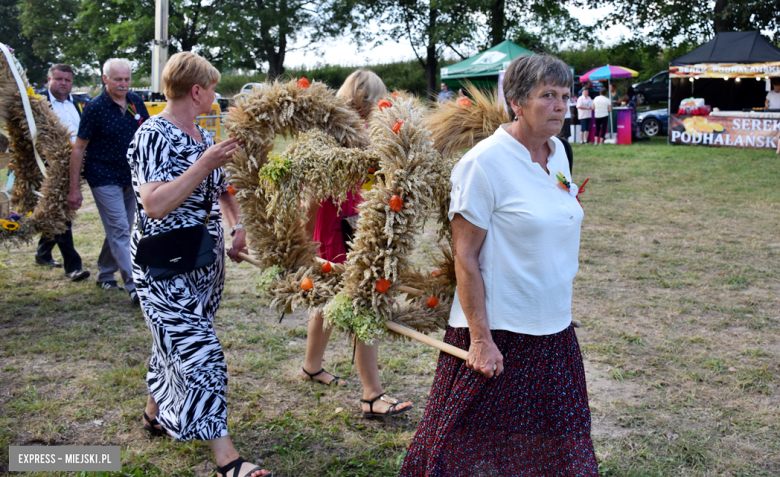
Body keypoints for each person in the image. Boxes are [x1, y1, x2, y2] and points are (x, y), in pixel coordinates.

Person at [400, 54, 597, 476]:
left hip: (553, 331)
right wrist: (480, 339)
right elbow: (465, 256)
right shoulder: (482, 164)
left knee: (552, 449)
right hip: (500, 333)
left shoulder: (559, 152)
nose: (561, 106)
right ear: (516, 102)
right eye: (547, 95)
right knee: (469, 452)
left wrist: (556, 305)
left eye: (565, 95)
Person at [127, 52, 269, 477]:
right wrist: (204, 163)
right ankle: (227, 458)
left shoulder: (201, 135)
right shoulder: (153, 134)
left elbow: (222, 189)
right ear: (196, 91)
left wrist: (236, 224)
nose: (216, 95)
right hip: (163, 266)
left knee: (176, 341)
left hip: (202, 263)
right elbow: (154, 204)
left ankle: (154, 414)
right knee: (202, 353)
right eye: (213, 88)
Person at [301, 69, 412, 418]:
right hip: (342, 225)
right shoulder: (341, 135)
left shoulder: (373, 134)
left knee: (329, 293)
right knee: (366, 300)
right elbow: (317, 189)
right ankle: (372, 394)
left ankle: (311, 365)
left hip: (351, 222)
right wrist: (304, 236)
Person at [68, 58, 149, 305]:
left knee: (120, 229)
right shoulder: (94, 107)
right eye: (118, 79)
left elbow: (147, 135)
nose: (123, 84)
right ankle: (136, 287)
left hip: (131, 177)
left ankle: (105, 273)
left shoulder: (135, 101)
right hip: (103, 177)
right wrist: (74, 188)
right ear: (105, 79)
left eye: (127, 79)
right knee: (121, 230)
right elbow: (79, 148)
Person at [34, 63, 89, 281]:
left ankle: (43, 252)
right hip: (50, 167)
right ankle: (73, 266)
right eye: (58, 79)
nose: (63, 84)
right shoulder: (39, 104)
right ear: (49, 80)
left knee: (58, 212)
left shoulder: (80, 103)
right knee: (61, 212)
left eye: (67, 80)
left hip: (76, 165)